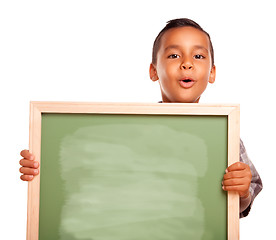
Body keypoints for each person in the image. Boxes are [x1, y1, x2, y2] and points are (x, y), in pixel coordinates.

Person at [19, 18, 262, 218]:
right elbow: (88, 173)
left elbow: (239, 206)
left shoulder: (226, 136)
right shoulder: (128, 130)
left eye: (198, 57)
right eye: (174, 56)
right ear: (153, 71)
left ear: (212, 73)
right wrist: (42, 167)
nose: (187, 64)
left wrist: (242, 193)